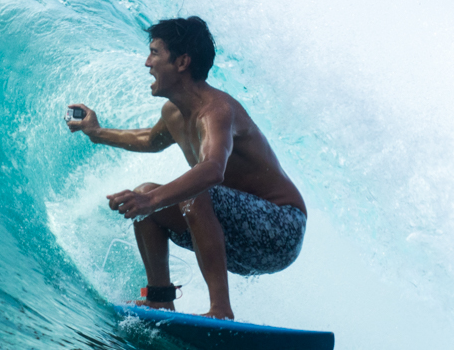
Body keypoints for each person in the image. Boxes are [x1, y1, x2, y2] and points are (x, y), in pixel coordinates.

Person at [67, 16, 307, 320]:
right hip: (240, 237)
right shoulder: (174, 113)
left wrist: (151, 199)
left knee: (184, 195)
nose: (147, 63)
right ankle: (159, 299)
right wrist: (96, 132)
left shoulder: (217, 111)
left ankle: (220, 311)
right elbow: (148, 140)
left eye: (154, 53)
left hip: (281, 229)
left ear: (182, 62)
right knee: (146, 200)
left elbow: (213, 169)